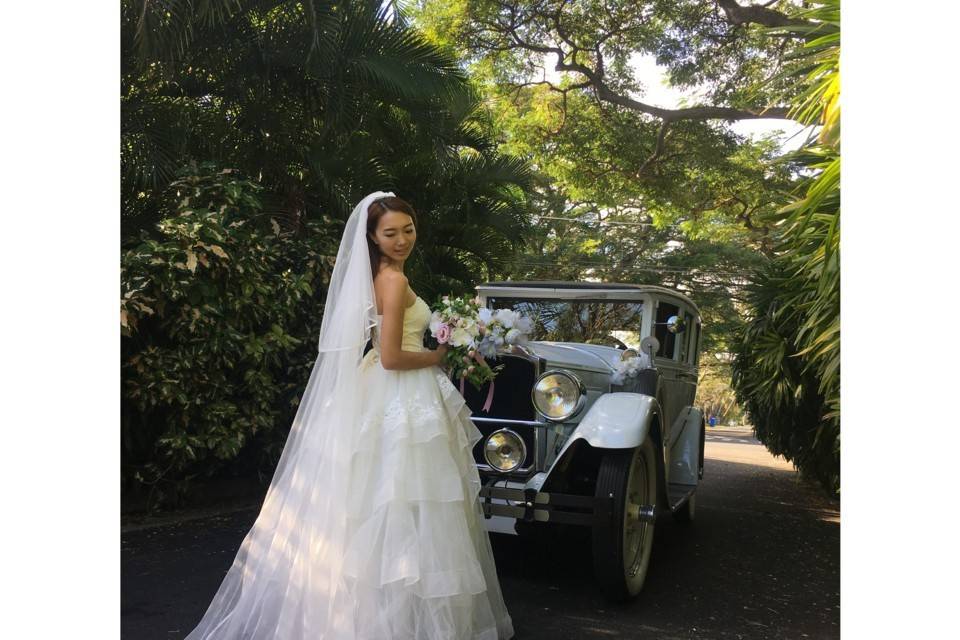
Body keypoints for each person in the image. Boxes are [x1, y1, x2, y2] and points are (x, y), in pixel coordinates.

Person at [184, 192, 514, 640]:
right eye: (391, 233)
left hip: (383, 389)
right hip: (400, 391)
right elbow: (394, 356)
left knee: (386, 503)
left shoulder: (386, 275)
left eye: (408, 230)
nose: (402, 240)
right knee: (405, 504)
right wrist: (440, 355)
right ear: (373, 238)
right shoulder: (393, 282)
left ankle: (387, 620)